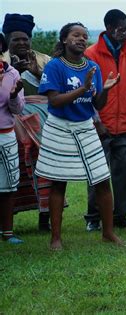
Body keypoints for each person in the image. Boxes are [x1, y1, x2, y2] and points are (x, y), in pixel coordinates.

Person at [34, 22, 123, 250]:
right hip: (59, 126)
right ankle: (55, 238)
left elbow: (97, 104)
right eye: (76, 35)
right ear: (64, 40)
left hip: (85, 125)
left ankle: (108, 233)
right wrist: (83, 89)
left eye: (85, 36)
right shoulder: (54, 66)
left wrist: (106, 90)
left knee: (102, 179)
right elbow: (53, 100)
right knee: (58, 182)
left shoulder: (92, 67)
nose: (82, 39)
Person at [84, 9, 126, 231]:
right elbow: (87, 92)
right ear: (109, 28)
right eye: (122, 28)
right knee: (97, 173)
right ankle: (93, 217)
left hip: (124, 125)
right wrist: (96, 120)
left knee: (124, 173)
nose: (125, 32)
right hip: (99, 124)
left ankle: (119, 217)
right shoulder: (91, 54)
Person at [1, 13, 53, 231]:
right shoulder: (3, 63)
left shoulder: (44, 60)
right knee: (12, 173)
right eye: (16, 39)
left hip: (40, 124)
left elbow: (54, 90)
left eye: (25, 39)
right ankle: (7, 219)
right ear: (8, 40)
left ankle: (45, 217)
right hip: (10, 124)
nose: (21, 43)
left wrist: (36, 73)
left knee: (44, 171)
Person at [0, 32, 25, 244]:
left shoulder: (12, 74)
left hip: (6, 135)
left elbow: (17, 109)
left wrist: (15, 94)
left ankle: (8, 233)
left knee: (8, 186)